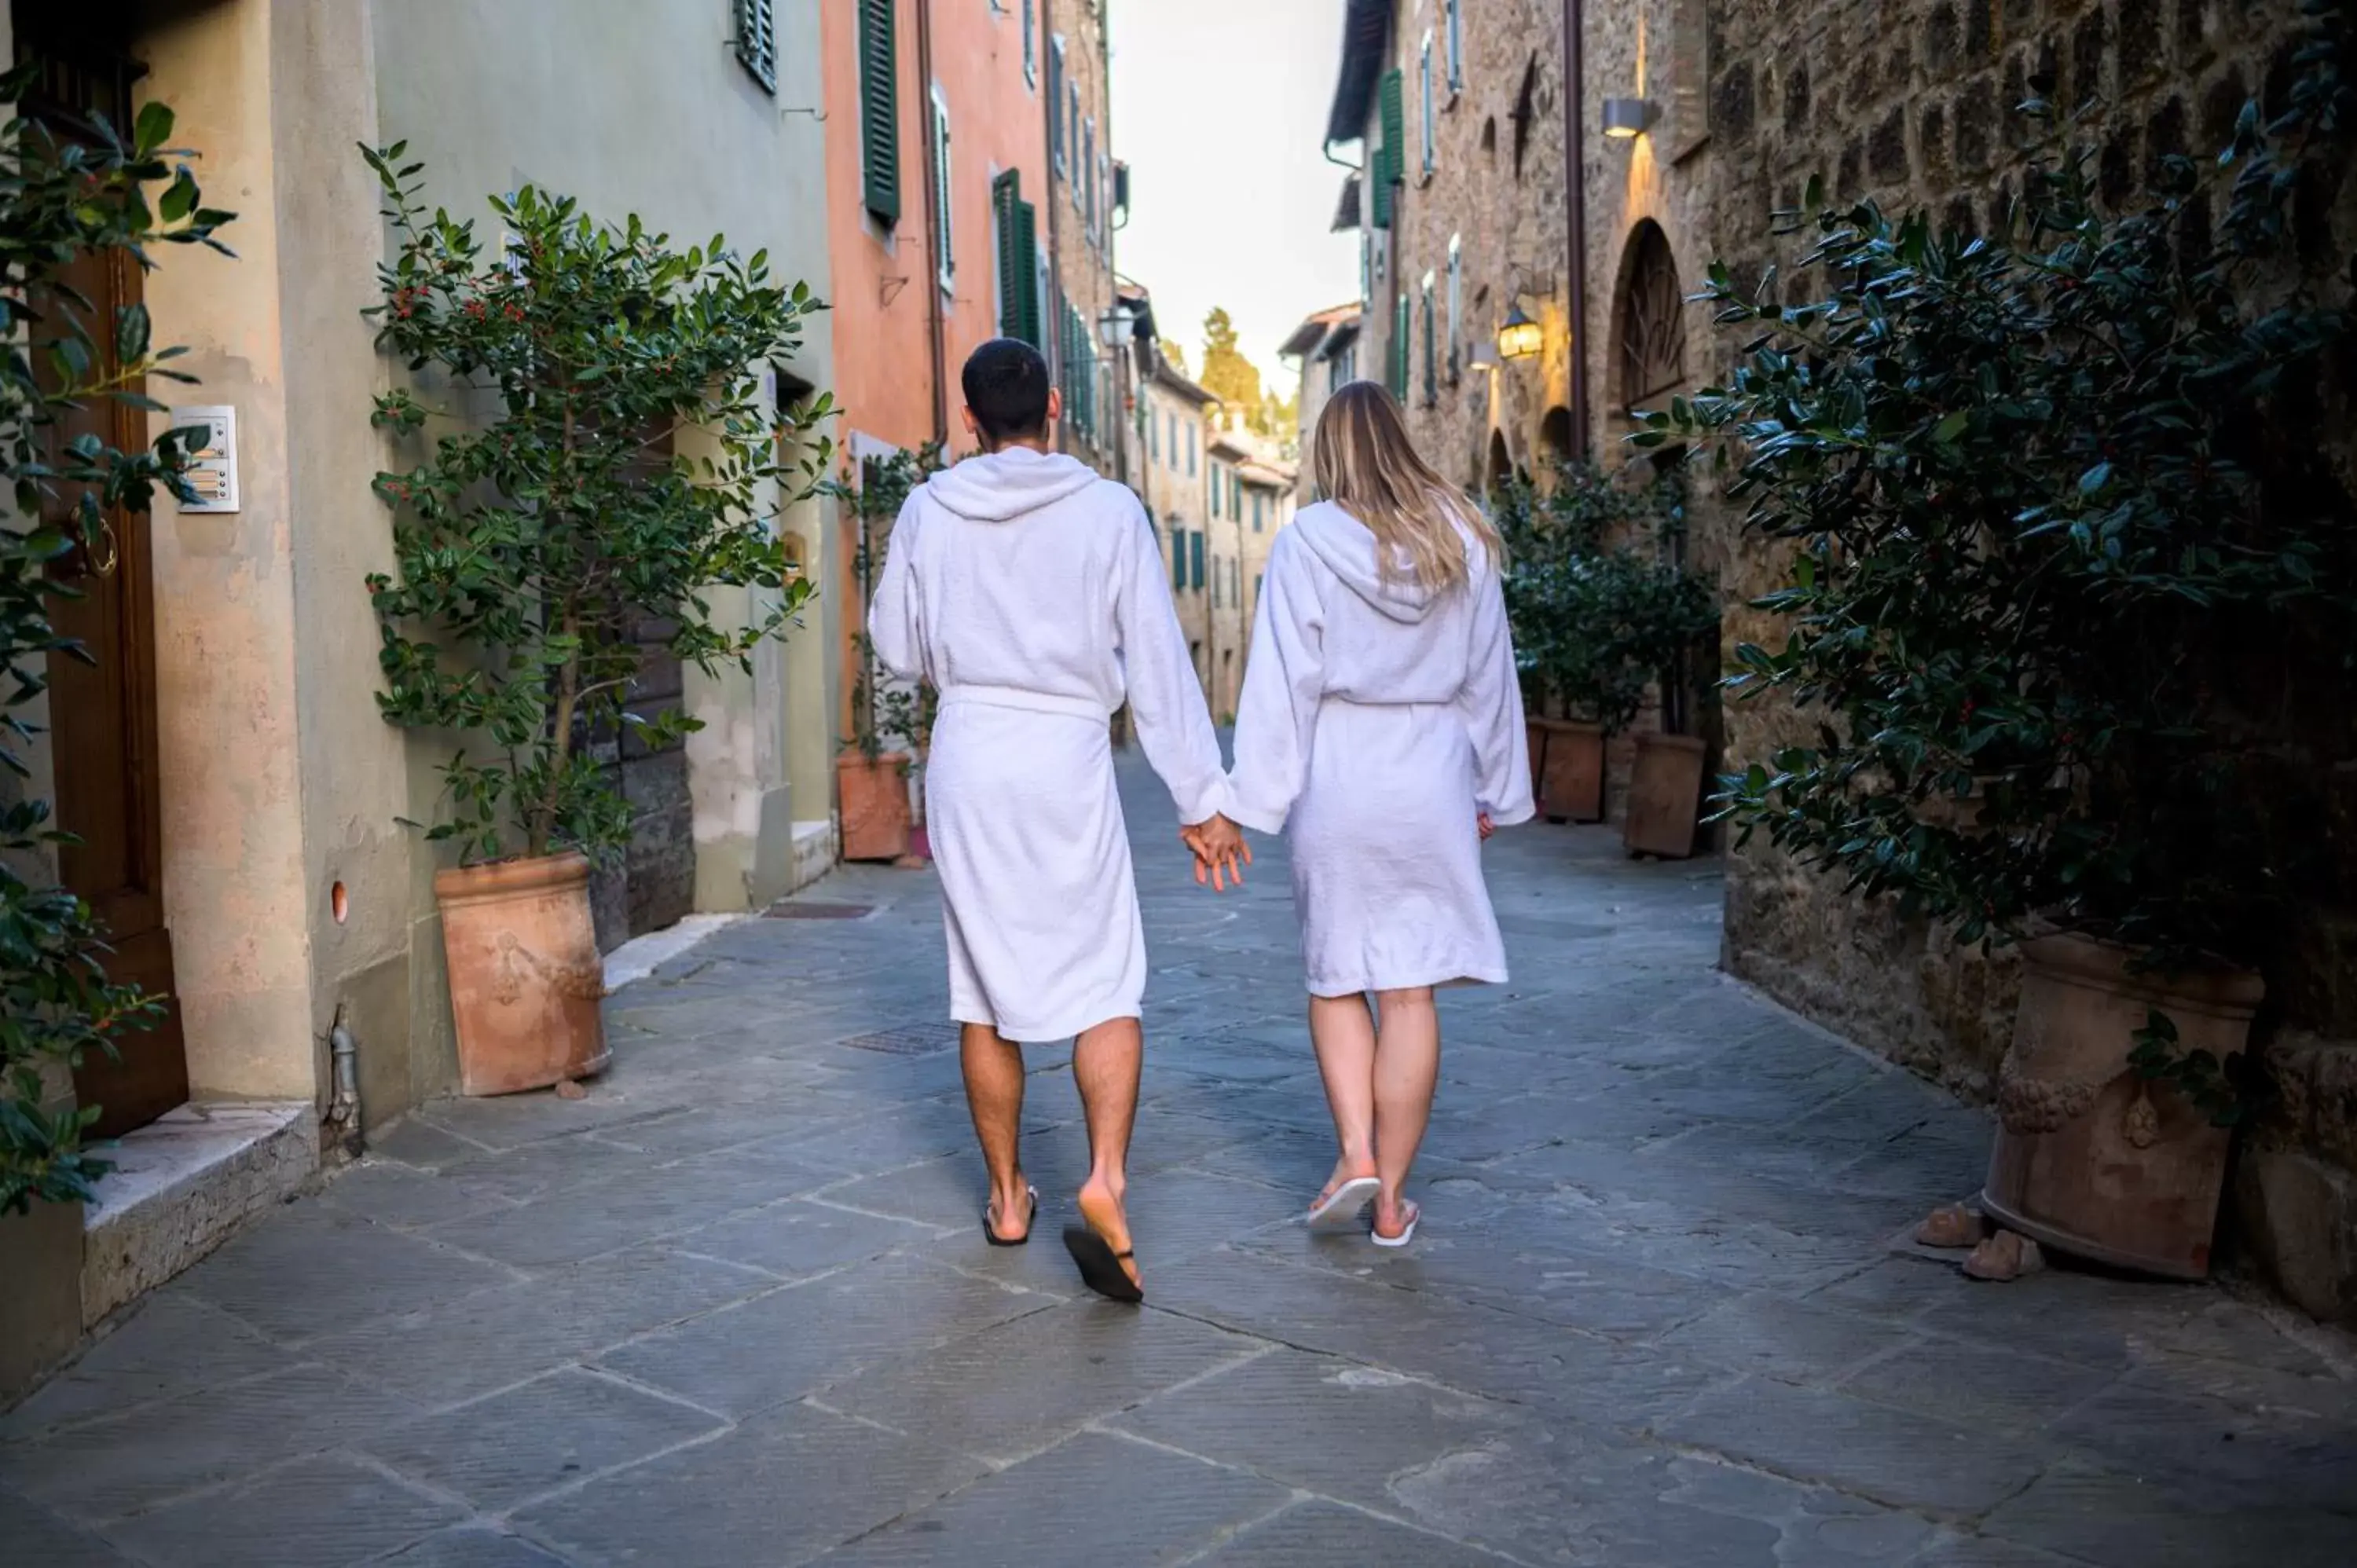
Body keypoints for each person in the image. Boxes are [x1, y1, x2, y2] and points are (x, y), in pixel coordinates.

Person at [867, 339, 1249, 1303]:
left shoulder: (928, 508)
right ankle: (1105, 1179)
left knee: (982, 986)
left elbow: (896, 646)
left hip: (971, 753)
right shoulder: (1110, 510)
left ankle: (1005, 1198)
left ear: (968, 422)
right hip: (1066, 754)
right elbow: (1159, 662)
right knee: (1104, 975)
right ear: (1055, 416)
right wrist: (1202, 800)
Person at [1225, 379, 1531, 1247]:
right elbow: (1490, 679)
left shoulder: (1305, 546)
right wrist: (1497, 791)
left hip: (1341, 772)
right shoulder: (1463, 538)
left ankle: (1355, 1150)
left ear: (1330, 454)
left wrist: (1252, 800)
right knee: (1408, 992)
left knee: (1335, 977)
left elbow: (1284, 683)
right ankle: (1391, 1199)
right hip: (1429, 775)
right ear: (1402, 440)